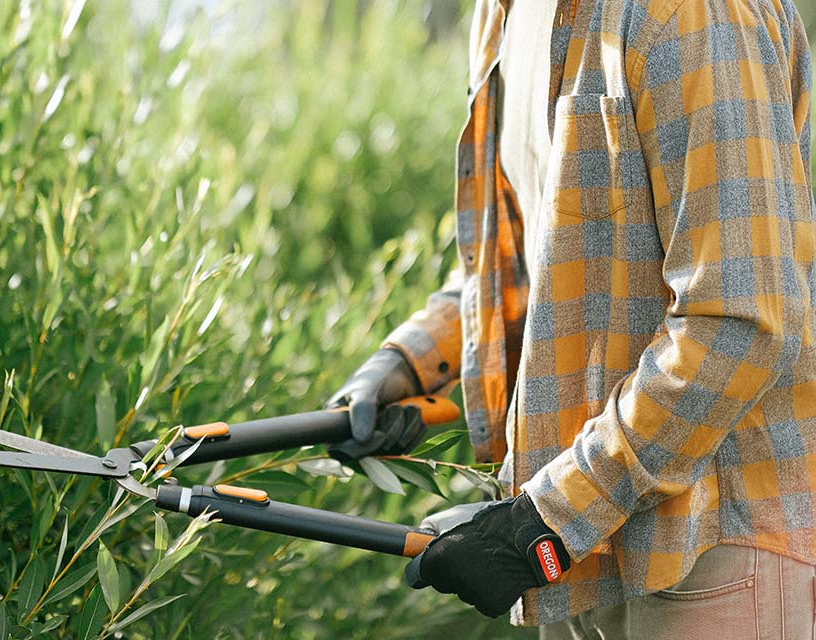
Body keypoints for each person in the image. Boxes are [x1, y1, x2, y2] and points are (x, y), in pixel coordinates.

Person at [326, 0, 816, 637]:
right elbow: (537, 254)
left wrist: (546, 521)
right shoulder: (503, 13)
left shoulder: (691, 14)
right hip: (582, 540)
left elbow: (738, 322)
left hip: (711, 547)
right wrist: (413, 360)